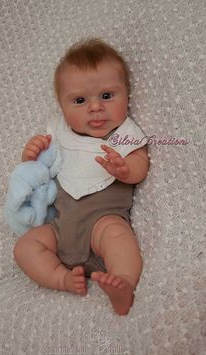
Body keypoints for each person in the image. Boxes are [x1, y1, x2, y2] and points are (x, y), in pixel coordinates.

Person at [13, 38, 150, 315]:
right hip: (61, 229)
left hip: (102, 223)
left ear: (127, 94)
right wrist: (32, 154)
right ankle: (61, 278)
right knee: (25, 248)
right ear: (62, 107)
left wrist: (124, 169)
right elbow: (39, 169)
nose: (95, 107)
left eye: (107, 96)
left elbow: (140, 165)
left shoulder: (123, 134)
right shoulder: (59, 133)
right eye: (79, 100)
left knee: (118, 237)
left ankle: (123, 283)